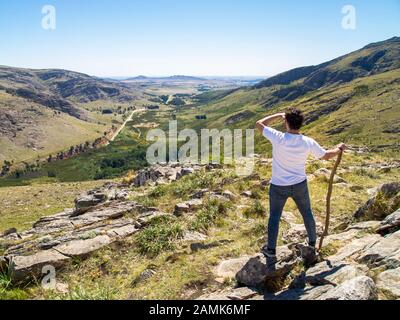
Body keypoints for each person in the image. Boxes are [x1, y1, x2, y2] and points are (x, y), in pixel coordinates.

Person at [256, 108, 346, 258]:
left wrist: (278, 115)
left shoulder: (278, 137)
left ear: (286, 122)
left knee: (274, 217)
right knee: (307, 213)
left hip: (278, 186)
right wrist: (338, 149)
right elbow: (326, 156)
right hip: (299, 185)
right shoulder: (307, 142)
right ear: (301, 124)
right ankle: (312, 243)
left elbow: (259, 124)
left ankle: (271, 250)